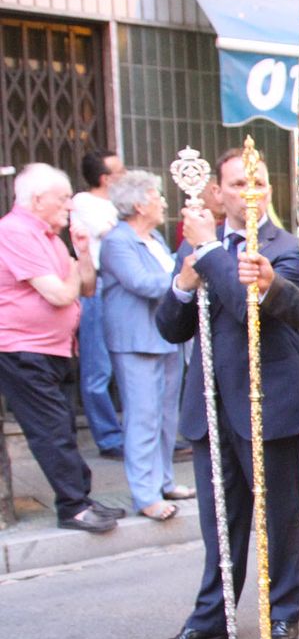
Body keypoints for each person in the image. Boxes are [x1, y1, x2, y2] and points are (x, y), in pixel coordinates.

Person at [148, 149, 299, 639]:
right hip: (210, 405)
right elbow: (170, 327)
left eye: (257, 181)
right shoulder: (201, 247)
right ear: (217, 192)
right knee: (220, 522)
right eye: (238, 184)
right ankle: (212, 616)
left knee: (280, 519)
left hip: (267, 402)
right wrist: (183, 284)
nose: (249, 191)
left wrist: (207, 252)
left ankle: (282, 613)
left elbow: (249, 311)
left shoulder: (286, 249)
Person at [0, 164, 118, 533]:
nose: (70, 205)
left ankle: (80, 499)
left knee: (63, 427)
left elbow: (86, 287)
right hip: (23, 349)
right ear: (38, 200)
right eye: (63, 198)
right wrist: (70, 272)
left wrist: (80, 255)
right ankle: (73, 507)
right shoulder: (14, 232)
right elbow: (60, 294)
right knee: (51, 430)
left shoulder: (49, 236)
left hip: (56, 348)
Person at [99, 170, 189, 522]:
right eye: (156, 196)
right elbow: (142, 283)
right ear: (138, 204)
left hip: (165, 336)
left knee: (166, 417)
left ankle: (164, 480)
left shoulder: (155, 238)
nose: (163, 202)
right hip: (136, 340)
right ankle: (145, 494)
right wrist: (184, 279)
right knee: (142, 418)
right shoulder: (117, 241)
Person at [72, 148, 126, 460]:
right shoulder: (84, 202)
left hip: (123, 283)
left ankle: (137, 433)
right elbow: (112, 233)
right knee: (98, 367)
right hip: (98, 283)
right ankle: (108, 438)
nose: (125, 177)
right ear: (105, 178)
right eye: (120, 172)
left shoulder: (118, 204)